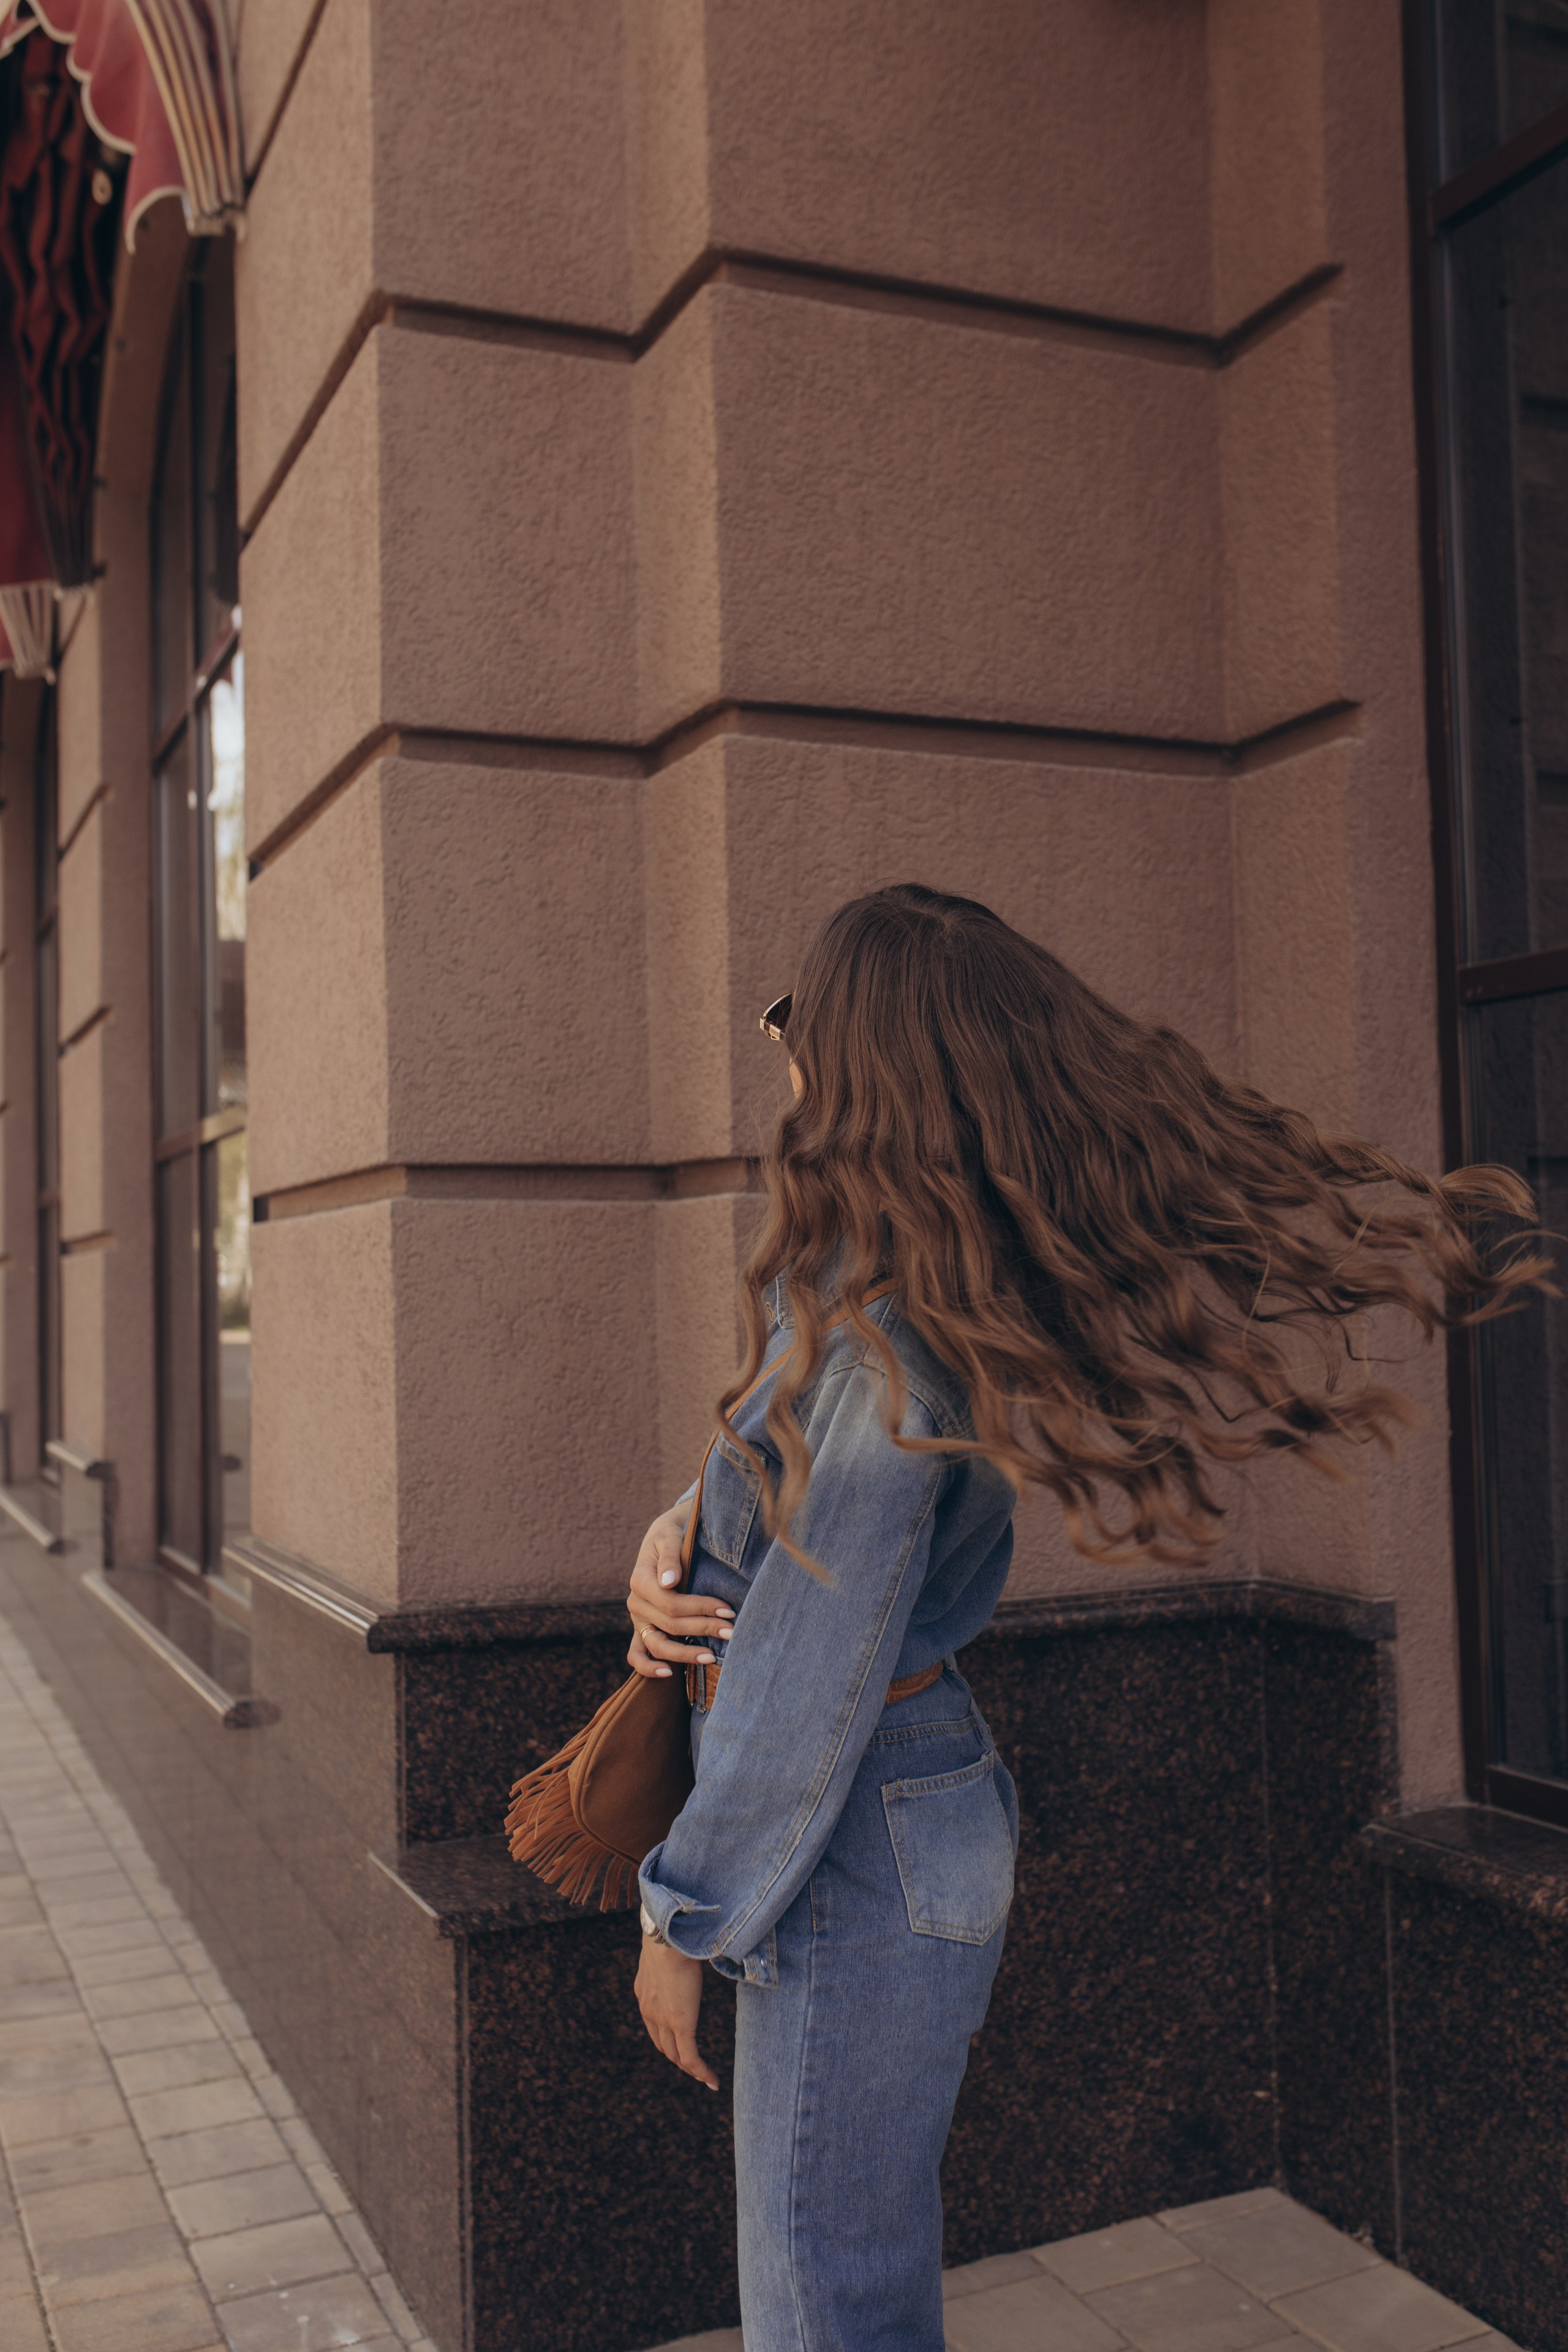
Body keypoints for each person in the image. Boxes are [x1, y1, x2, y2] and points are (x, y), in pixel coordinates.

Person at [622, 883, 1545, 2352]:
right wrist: (676, 1540)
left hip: (849, 1832)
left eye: (796, 1020)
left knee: (823, 2294)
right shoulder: (908, 1286)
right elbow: (789, 1531)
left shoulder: (881, 1328)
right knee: (840, 2268)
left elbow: (805, 1674)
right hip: (889, 1814)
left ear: (862, 1062)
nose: (780, 1052)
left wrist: (683, 1914)